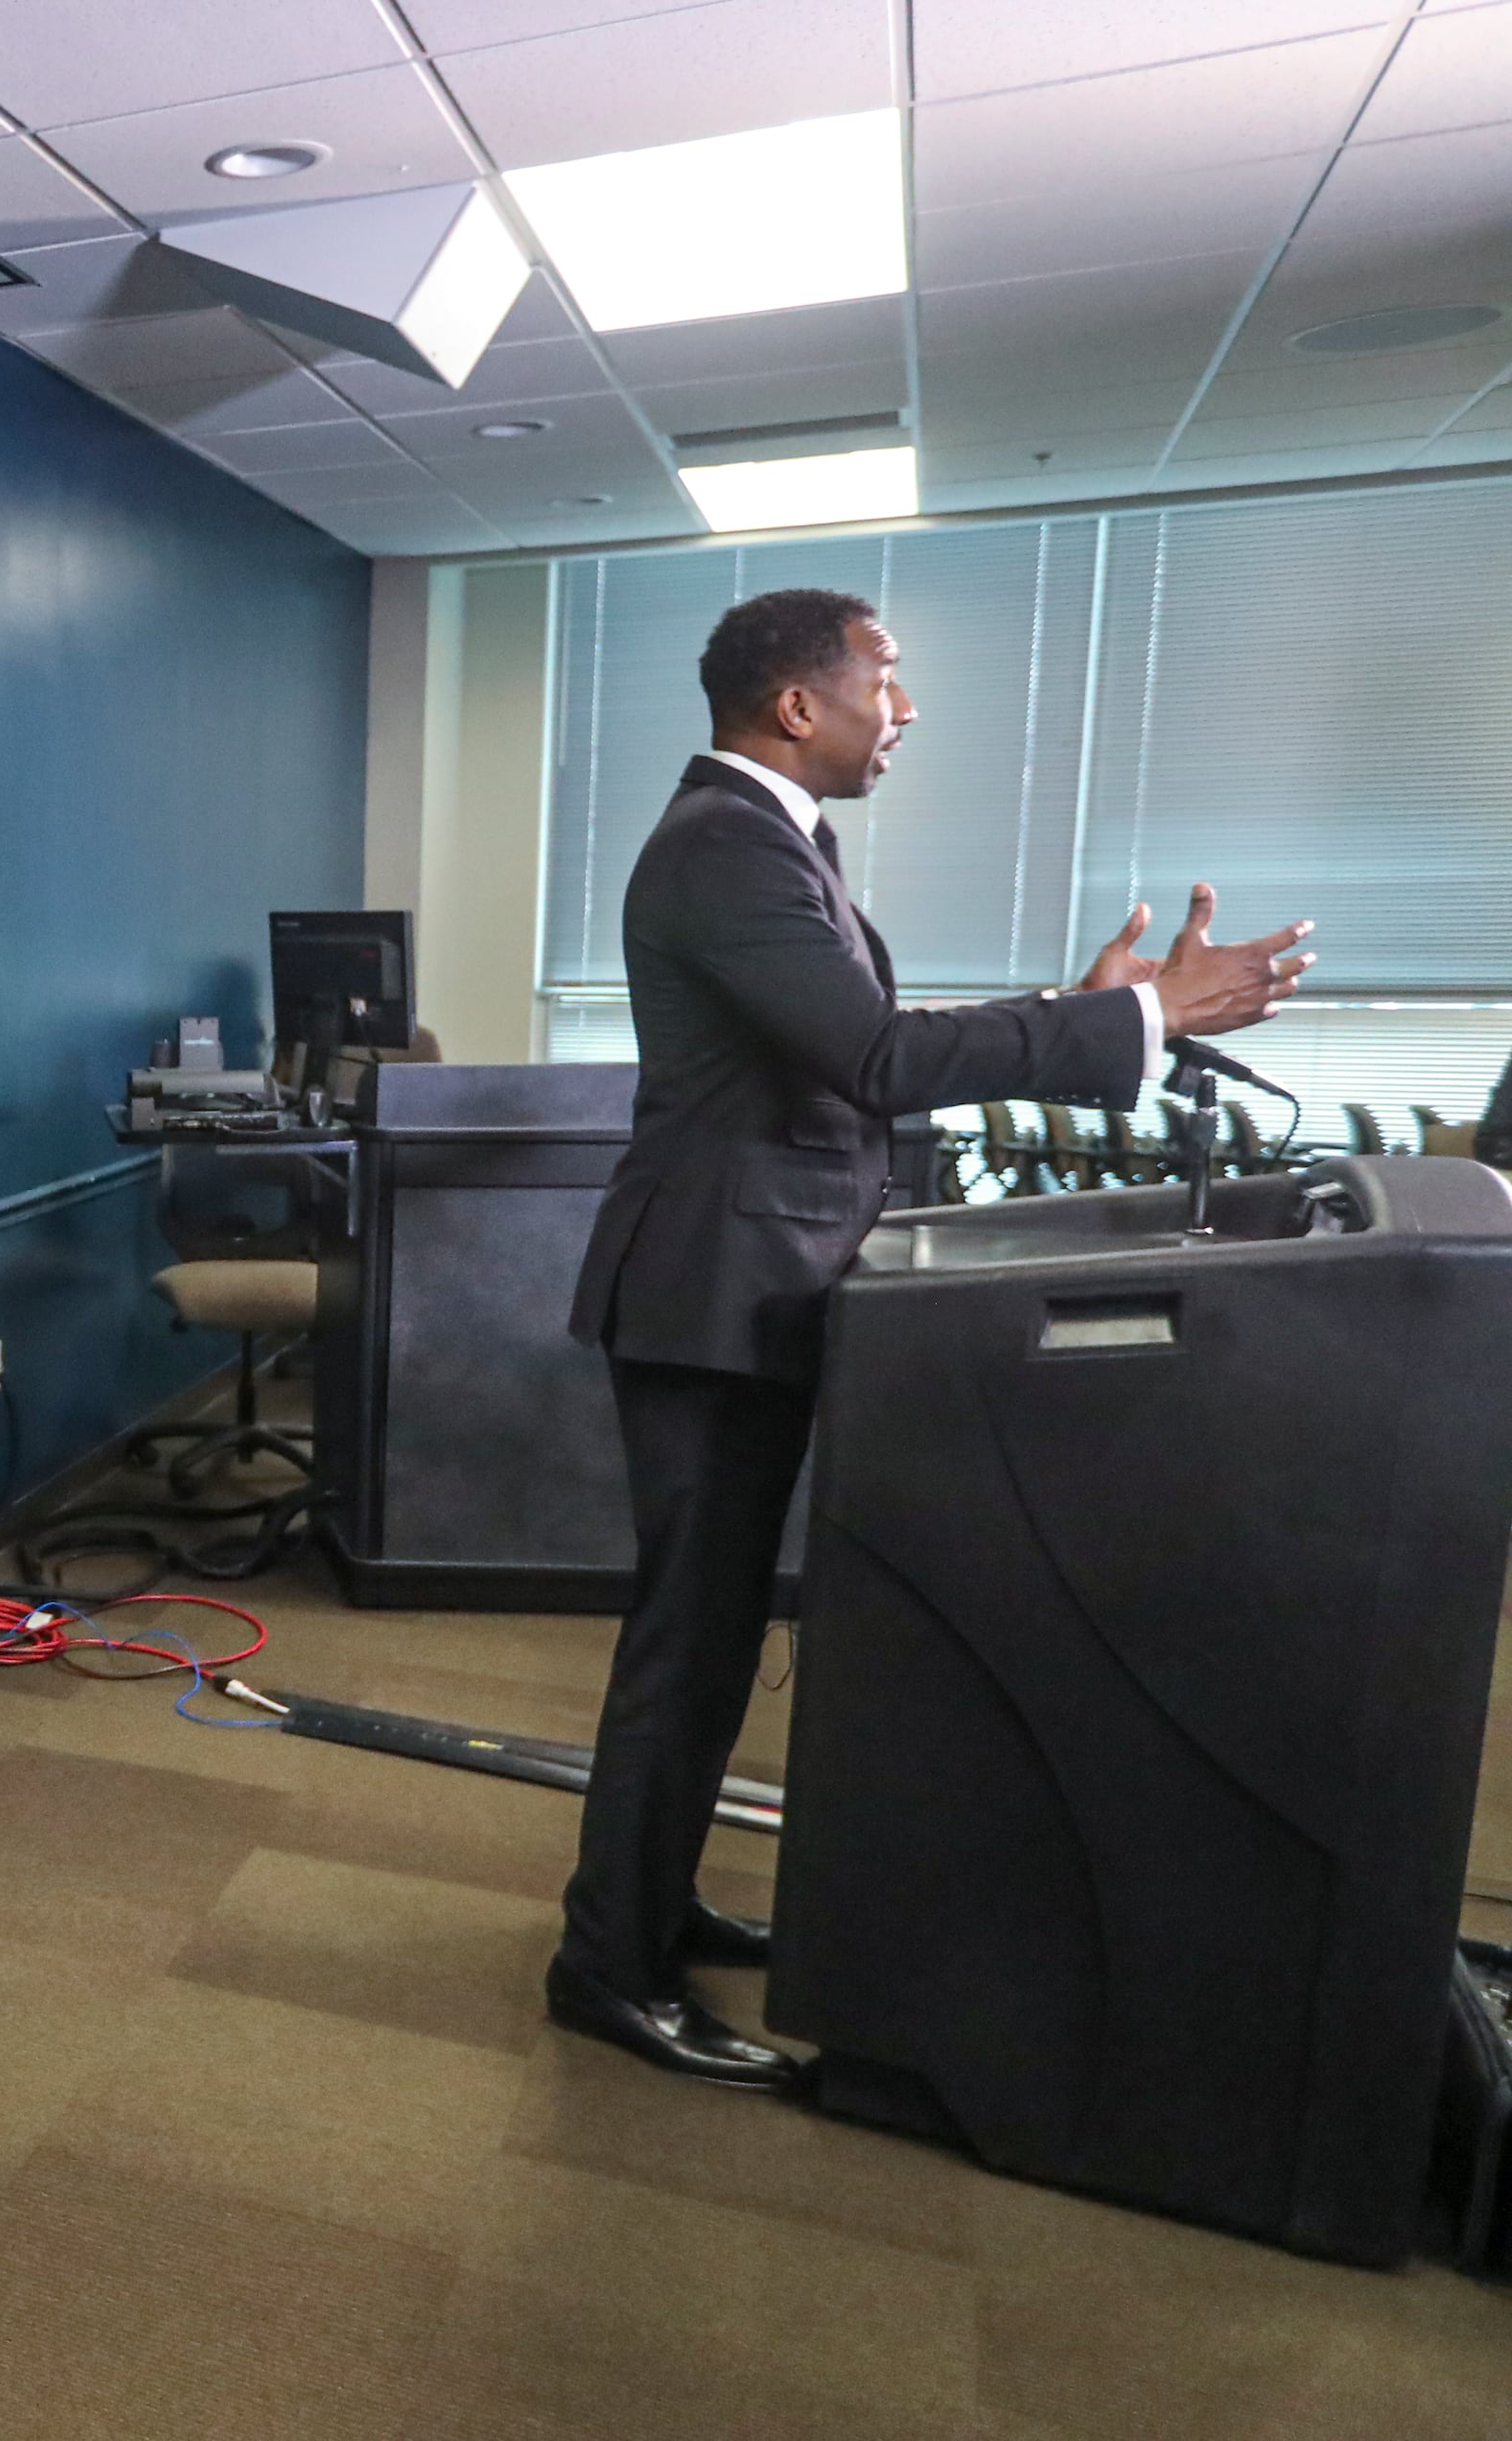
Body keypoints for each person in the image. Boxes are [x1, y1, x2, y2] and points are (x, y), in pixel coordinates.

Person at [556, 585, 1310, 2088]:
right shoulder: (724, 845)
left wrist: (1078, 1009)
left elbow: (849, 1038)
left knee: (707, 1645)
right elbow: (882, 1062)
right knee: (687, 1648)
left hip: (750, 1282)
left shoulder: (774, 840)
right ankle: (606, 1970)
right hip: (712, 1294)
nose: (907, 710)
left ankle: (646, 1903)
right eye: (885, 682)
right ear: (796, 706)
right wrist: (1139, 1024)